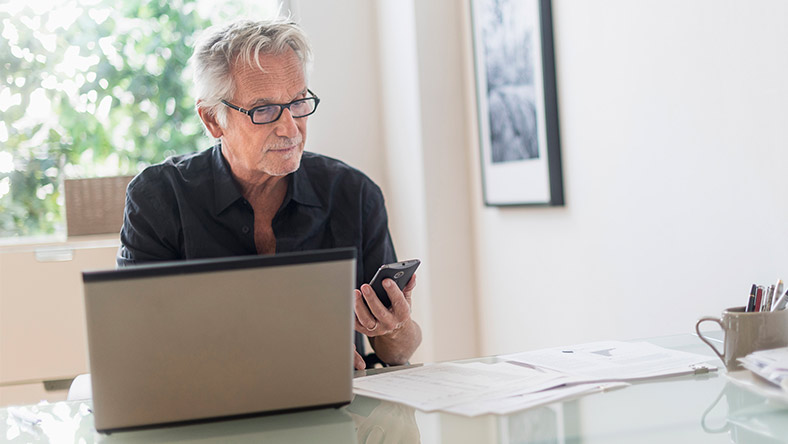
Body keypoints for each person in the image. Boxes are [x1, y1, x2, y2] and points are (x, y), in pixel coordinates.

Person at [116, 18, 421, 370]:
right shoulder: (158, 197)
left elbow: (396, 354)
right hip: (208, 410)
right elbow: (136, 342)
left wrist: (395, 327)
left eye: (298, 102)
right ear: (213, 120)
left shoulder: (354, 193)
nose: (290, 127)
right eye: (263, 109)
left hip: (333, 411)